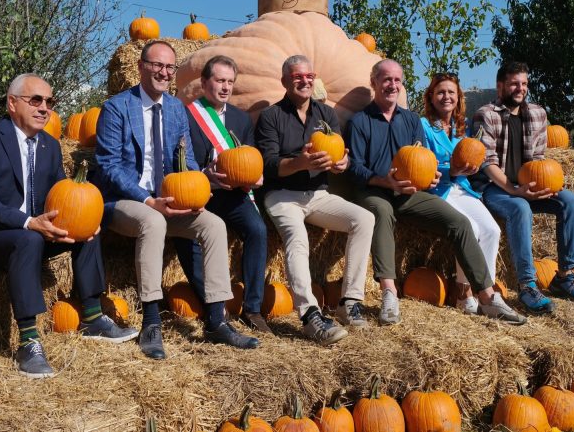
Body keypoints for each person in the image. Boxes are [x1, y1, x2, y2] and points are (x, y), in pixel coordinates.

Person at [0, 74, 137, 379]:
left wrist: (80, 221)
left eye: (49, 102)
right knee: (28, 239)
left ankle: (92, 315)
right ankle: (28, 341)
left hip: (30, 231)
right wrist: (27, 222)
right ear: (12, 103)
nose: (44, 108)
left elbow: (61, 198)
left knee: (86, 230)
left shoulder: (50, 145)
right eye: (35, 100)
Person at [93, 40, 259, 359]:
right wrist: (147, 199)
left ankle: (216, 321)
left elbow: (187, 161)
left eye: (169, 67)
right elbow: (108, 167)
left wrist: (197, 186)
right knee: (153, 220)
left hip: (167, 199)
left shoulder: (174, 109)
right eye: (156, 65)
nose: (163, 72)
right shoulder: (116, 108)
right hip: (125, 202)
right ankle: (151, 322)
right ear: (141, 67)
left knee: (212, 225)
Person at [345, 59, 526, 325]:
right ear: (373, 83)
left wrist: (430, 178)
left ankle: (487, 296)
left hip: (408, 192)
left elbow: (421, 160)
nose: (392, 85)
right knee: (382, 212)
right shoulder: (360, 121)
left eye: (397, 80)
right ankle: (389, 292)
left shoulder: (409, 120)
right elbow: (354, 169)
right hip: (374, 190)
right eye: (386, 79)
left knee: (460, 222)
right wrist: (386, 182)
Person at [254, 55, 374, 345]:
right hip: (282, 195)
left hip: (318, 194)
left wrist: (341, 163)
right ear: (285, 81)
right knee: (297, 238)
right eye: (297, 77)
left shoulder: (326, 115)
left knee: (364, 219)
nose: (304, 81)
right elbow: (268, 166)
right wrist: (300, 163)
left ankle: (349, 301)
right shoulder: (271, 116)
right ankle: (310, 315)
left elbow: (339, 155)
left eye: (308, 76)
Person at [471, 61, 574, 313]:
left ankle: (565, 276)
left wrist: (546, 185)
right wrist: (514, 190)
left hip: (527, 185)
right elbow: (486, 162)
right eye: (515, 83)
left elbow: (538, 158)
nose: (520, 88)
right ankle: (527, 285)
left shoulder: (538, 114)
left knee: (570, 201)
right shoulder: (486, 114)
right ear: (501, 85)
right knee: (520, 208)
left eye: (524, 83)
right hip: (496, 188)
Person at [173, 55, 271, 334]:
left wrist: (256, 176)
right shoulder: (186, 115)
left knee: (257, 230)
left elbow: (251, 156)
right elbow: (177, 160)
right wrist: (205, 176)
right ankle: (214, 305)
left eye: (230, 82)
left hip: (232, 195)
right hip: (198, 193)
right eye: (219, 81)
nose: (225, 87)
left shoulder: (241, 118)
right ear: (204, 83)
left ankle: (252, 308)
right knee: (184, 238)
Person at [421, 73, 525, 322]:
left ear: (458, 99)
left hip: (462, 188)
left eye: (451, 93)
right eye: (441, 92)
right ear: (431, 98)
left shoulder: (462, 128)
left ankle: (482, 292)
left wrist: (471, 166)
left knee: (491, 230)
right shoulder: (423, 126)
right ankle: (464, 292)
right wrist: (451, 170)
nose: (446, 97)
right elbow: (420, 164)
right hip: (439, 190)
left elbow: (473, 158)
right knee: (472, 228)